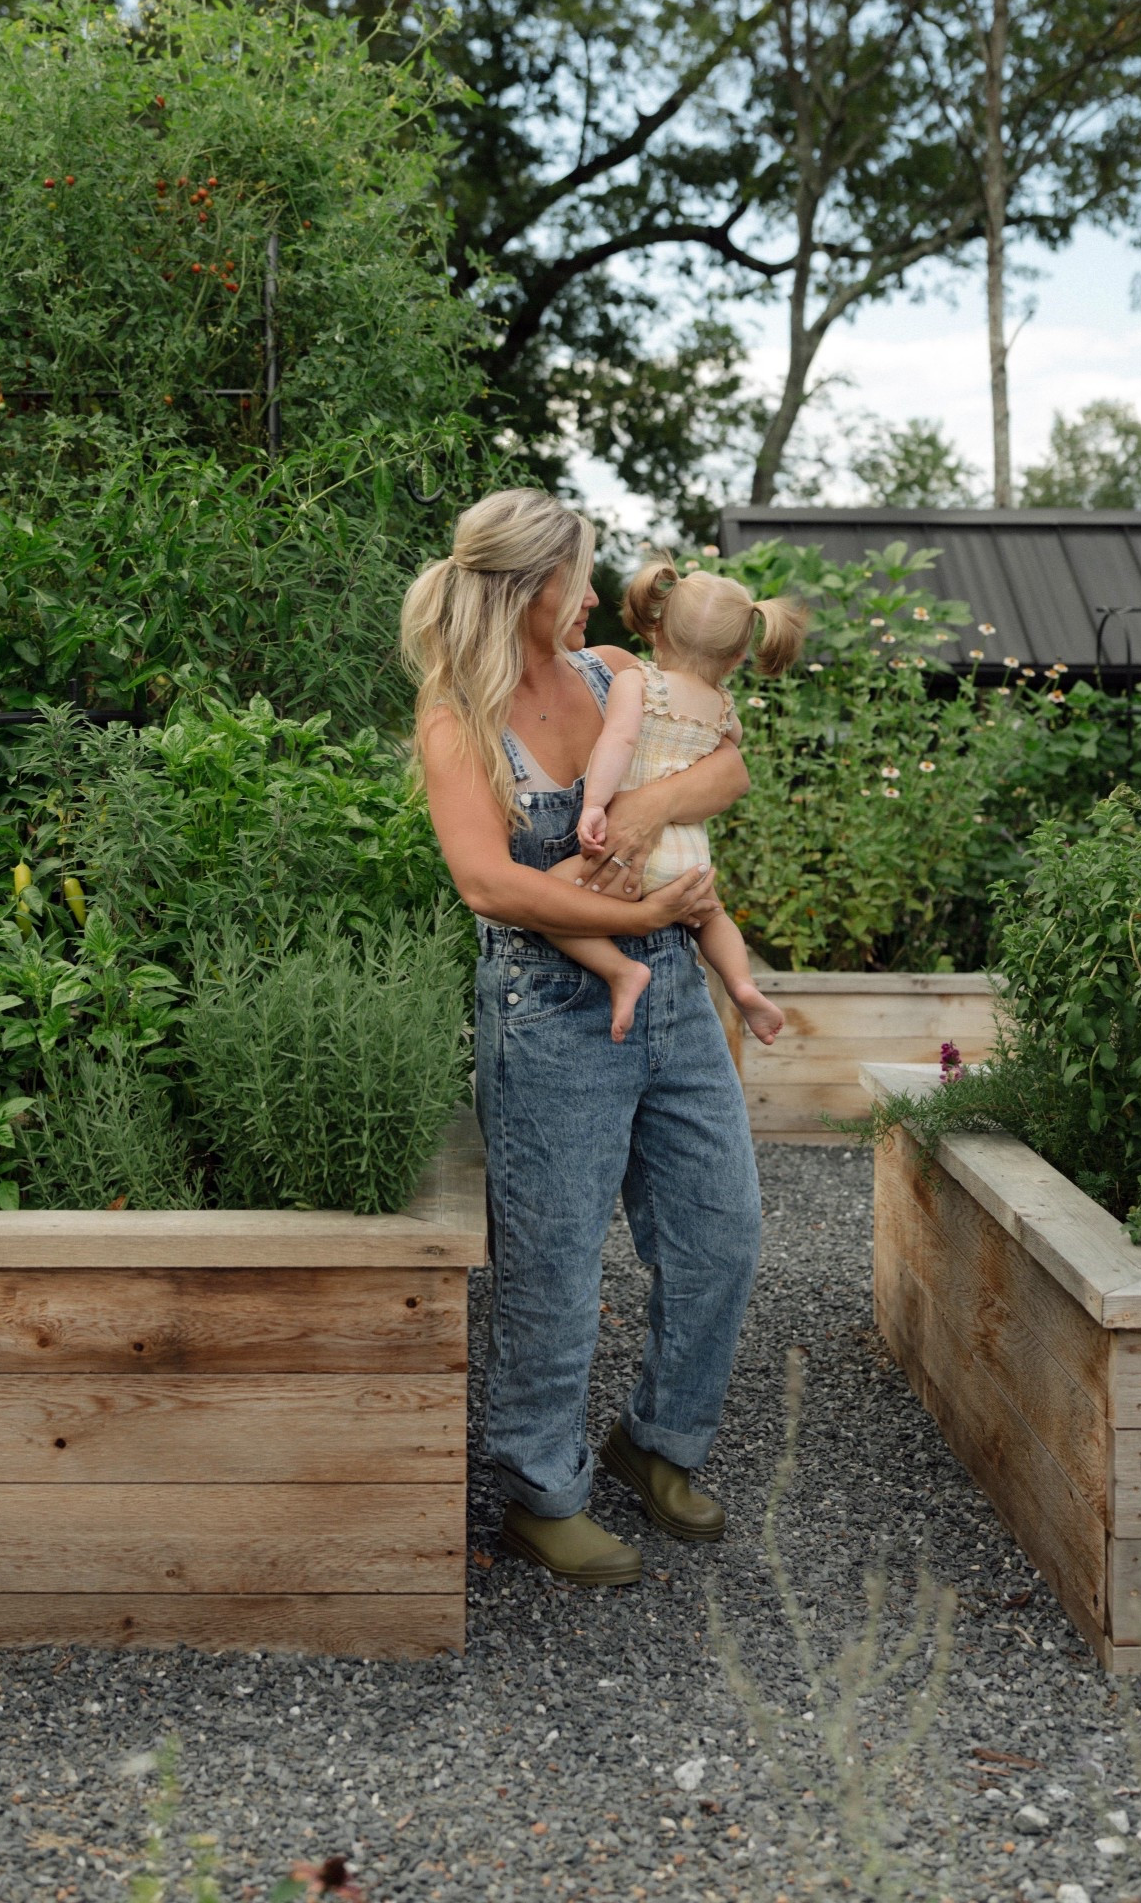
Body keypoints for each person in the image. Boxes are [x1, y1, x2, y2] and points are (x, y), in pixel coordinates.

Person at [401, 488, 763, 1588]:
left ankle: (657, 1441)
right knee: (553, 1272)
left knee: (720, 1233)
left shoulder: (613, 675)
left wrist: (643, 814)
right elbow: (485, 882)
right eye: (580, 577)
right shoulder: (459, 716)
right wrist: (633, 917)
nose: (597, 597)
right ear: (529, 588)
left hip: (675, 999)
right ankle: (540, 1491)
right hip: (549, 1015)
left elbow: (729, 762)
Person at [555, 558, 805, 1046]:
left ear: (657, 632)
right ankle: (742, 985)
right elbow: (732, 747)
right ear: (736, 658)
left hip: (633, 855)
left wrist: (594, 806)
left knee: (551, 901)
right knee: (711, 917)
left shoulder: (638, 681)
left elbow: (619, 741)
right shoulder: (724, 707)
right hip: (690, 859)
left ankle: (622, 972)